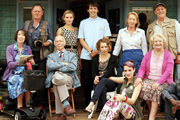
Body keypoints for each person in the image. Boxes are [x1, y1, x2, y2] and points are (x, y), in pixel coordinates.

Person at [78, 1, 111, 105]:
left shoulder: (104, 22)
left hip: (100, 55)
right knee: (87, 79)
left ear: (98, 10)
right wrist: (90, 51)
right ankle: (88, 101)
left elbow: (106, 38)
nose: (93, 10)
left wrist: (97, 51)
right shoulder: (83, 22)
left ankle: (99, 102)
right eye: (91, 8)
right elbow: (81, 39)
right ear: (88, 10)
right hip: (86, 55)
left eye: (95, 8)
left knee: (98, 78)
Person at [135, 33, 174, 120]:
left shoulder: (168, 55)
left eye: (160, 41)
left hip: (164, 80)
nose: (158, 43)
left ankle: (151, 117)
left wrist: (158, 82)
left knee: (156, 89)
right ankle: (151, 109)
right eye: (156, 41)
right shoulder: (148, 54)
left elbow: (168, 72)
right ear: (152, 43)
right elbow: (142, 68)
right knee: (142, 87)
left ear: (163, 42)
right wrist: (139, 77)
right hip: (149, 79)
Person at [23, 4, 53, 106]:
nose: (37, 13)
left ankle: (42, 104)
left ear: (42, 13)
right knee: (30, 79)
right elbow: (22, 37)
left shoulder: (46, 24)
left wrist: (43, 44)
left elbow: (51, 39)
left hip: (41, 55)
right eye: (35, 11)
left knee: (40, 79)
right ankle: (31, 103)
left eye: (39, 11)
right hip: (29, 56)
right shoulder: (26, 24)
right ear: (32, 12)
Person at [46, 35, 81, 120]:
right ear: (54, 44)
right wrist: (63, 64)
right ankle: (66, 106)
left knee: (57, 83)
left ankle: (61, 114)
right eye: (57, 41)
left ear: (64, 43)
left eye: (60, 41)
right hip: (55, 77)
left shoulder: (72, 55)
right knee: (57, 79)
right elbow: (50, 66)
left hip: (68, 77)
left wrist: (58, 67)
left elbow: (73, 67)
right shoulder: (50, 56)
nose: (59, 43)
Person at [3, 29, 35, 108]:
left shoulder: (28, 48)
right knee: (21, 80)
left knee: (28, 79)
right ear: (16, 36)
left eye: (23, 35)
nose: (21, 36)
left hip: (25, 73)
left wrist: (32, 62)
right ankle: (20, 104)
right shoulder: (10, 48)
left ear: (25, 38)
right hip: (13, 74)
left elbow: (31, 64)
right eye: (19, 34)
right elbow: (10, 64)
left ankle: (28, 104)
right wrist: (20, 62)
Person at [85, 38, 117, 113]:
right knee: (103, 88)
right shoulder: (95, 58)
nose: (104, 49)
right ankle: (103, 110)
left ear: (109, 47)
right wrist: (95, 77)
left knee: (104, 81)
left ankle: (92, 102)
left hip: (110, 81)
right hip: (99, 82)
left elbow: (109, 72)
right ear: (99, 48)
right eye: (102, 47)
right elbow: (93, 72)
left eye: (106, 46)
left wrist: (99, 79)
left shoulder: (113, 58)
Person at [56, 10, 81, 80]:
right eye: (67, 17)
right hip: (64, 53)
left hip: (75, 53)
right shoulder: (60, 30)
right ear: (64, 18)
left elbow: (79, 45)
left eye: (70, 17)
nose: (69, 19)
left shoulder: (77, 30)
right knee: (65, 75)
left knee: (76, 75)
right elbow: (57, 45)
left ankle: (74, 91)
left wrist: (80, 59)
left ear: (73, 18)